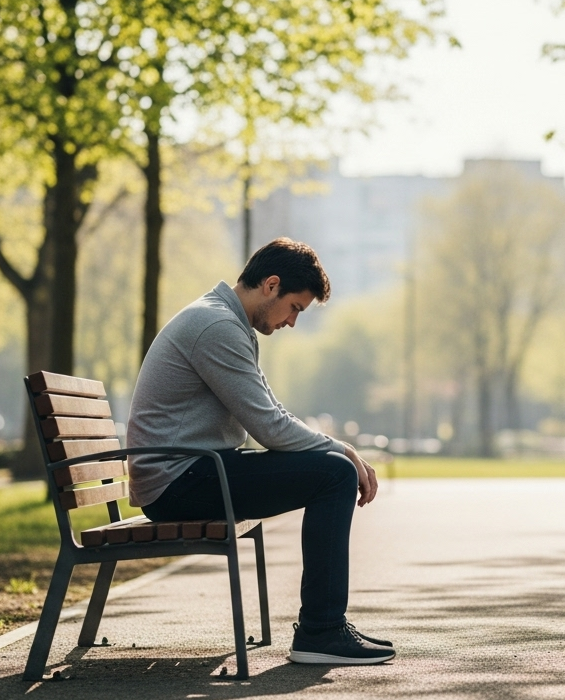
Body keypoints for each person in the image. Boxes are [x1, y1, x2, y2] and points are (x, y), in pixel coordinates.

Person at [125, 237, 394, 665]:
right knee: (335, 474)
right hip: (178, 482)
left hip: (192, 471)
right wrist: (344, 451)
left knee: (331, 467)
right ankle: (321, 631)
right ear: (271, 285)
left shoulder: (226, 322)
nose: (292, 322)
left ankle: (323, 626)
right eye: (294, 308)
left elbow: (273, 413)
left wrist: (335, 449)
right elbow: (270, 428)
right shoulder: (216, 327)